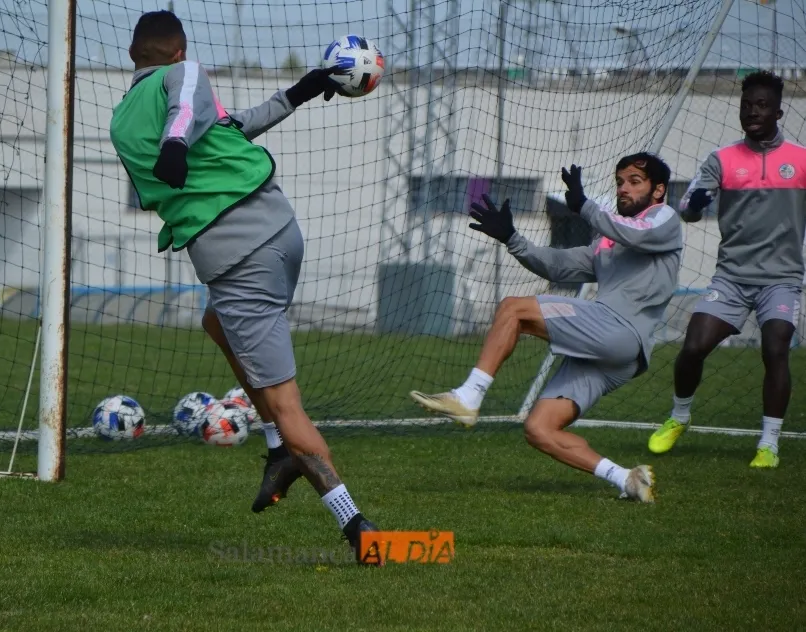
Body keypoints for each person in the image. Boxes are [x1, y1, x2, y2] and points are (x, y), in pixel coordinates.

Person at [109, 10, 379, 559]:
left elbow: (184, 112)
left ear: (135, 54)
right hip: (281, 231)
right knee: (216, 322)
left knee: (285, 404)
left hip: (240, 259)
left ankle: (359, 529)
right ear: (178, 49)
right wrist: (300, 92)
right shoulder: (180, 81)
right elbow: (225, 127)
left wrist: (175, 145)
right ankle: (280, 449)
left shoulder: (126, 118)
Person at [410, 154, 683, 502]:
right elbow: (558, 266)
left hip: (619, 331)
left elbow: (632, 233)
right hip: (615, 355)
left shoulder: (664, 218)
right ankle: (627, 480)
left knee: (513, 309)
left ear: (659, 190)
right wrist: (512, 237)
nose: (624, 188)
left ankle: (469, 395)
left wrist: (585, 206)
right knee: (539, 429)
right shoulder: (607, 242)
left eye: (634, 181)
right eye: (619, 182)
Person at [648, 71, 806, 468]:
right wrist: (694, 203)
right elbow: (687, 211)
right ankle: (679, 417)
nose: (753, 111)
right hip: (732, 279)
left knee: (775, 349)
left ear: (778, 112)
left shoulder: (801, 161)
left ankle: (768, 444)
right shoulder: (721, 160)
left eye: (762, 105)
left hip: (782, 281)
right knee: (693, 347)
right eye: (747, 104)